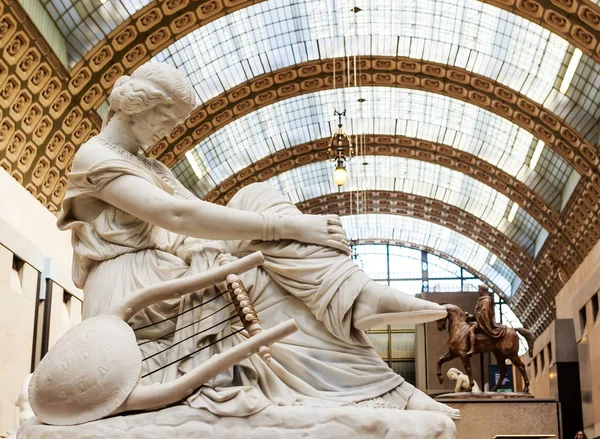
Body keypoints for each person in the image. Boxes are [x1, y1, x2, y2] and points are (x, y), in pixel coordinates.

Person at [57, 62, 458, 418]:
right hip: (133, 288)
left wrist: (275, 227)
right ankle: (383, 374)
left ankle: (357, 298)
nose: (170, 130)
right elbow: (177, 216)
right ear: (140, 106)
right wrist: (292, 228)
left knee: (255, 195)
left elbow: (200, 213)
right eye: (168, 119)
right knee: (261, 278)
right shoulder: (94, 156)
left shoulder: (149, 164)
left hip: (164, 268)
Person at [466, 285, 507, 356]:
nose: (478, 292)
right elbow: (479, 312)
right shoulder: (482, 300)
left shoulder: (486, 300)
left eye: (479, 290)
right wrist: (471, 316)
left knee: (471, 330)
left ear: (482, 290)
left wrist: (474, 316)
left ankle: (472, 348)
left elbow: (484, 313)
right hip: (480, 320)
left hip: (484, 322)